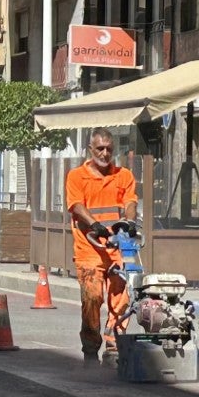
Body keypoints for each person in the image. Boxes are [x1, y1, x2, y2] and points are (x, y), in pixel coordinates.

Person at [65, 131, 139, 363]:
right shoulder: (77, 176)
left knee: (122, 296)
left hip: (117, 248)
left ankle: (114, 342)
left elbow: (130, 202)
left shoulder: (123, 176)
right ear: (90, 149)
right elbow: (76, 205)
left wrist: (128, 222)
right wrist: (94, 224)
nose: (105, 153)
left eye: (109, 148)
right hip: (90, 249)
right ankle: (90, 347)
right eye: (100, 149)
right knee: (92, 297)